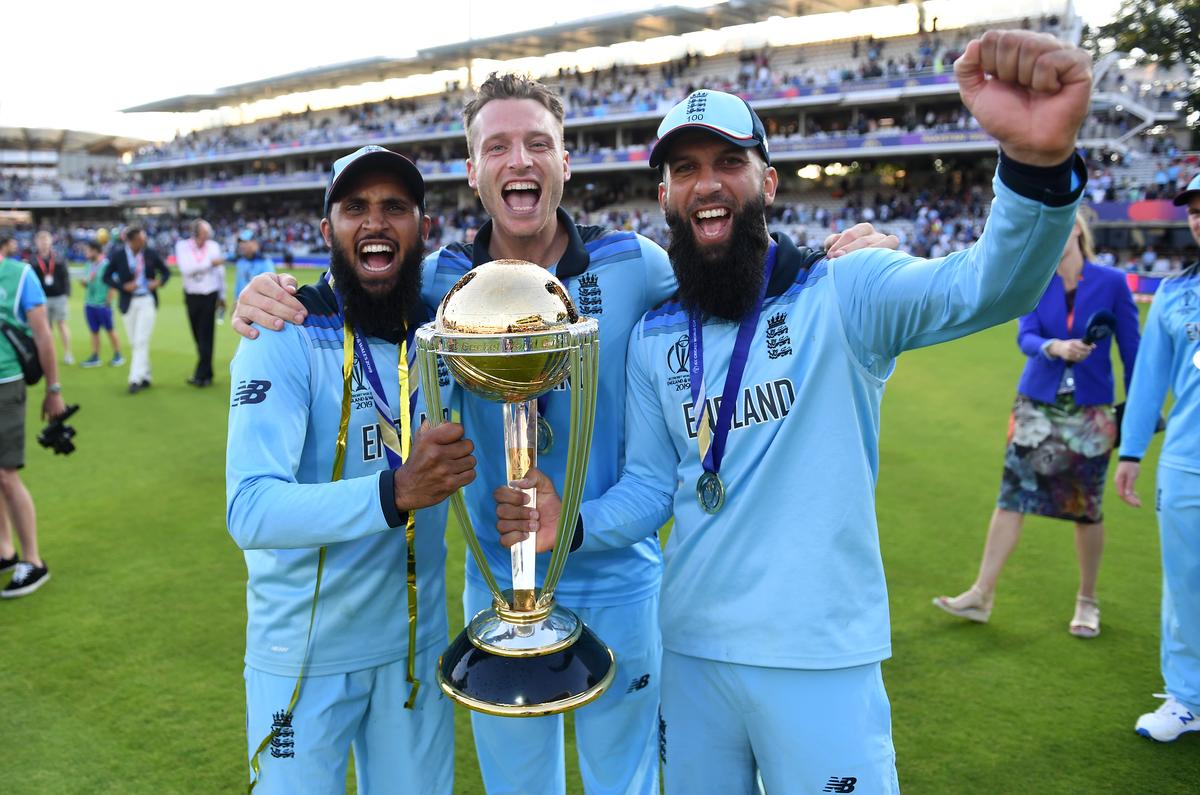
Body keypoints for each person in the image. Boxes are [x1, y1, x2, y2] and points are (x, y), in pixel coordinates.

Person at [231, 75, 894, 795]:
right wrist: (271, 291)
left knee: (627, 783)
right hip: (496, 586)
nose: (520, 160)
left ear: (565, 164)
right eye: (498, 146)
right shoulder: (441, 283)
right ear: (473, 173)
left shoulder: (635, 265)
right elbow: (362, 278)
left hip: (619, 580)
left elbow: (733, 257)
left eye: (538, 143)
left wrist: (837, 251)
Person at [493, 31, 1091, 793]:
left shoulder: (846, 291)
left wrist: (1036, 168)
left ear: (768, 183)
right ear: (666, 198)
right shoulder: (656, 336)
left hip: (820, 659)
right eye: (685, 169)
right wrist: (568, 522)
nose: (707, 184)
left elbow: (985, 287)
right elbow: (650, 487)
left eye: (728, 163)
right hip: (694, 654)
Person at [226, 145, 474, 793]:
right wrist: (396, 492)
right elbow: (249, 509)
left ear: (423, 226)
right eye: (354, 207)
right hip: (301, 660)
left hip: (414, 655)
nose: (375, 222)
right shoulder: (282, 333)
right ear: (325, 229)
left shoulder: (448, 332)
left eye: (395, 207)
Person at [933, 208, 1139, 637]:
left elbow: (1133, 352)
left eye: (1061, 228)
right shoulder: (1035, 281)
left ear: (1078, 231)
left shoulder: (1113, 283)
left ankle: (1087, 601)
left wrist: (1137, 415)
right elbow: (1025, 336)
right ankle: (981, 594)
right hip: (1035, 405)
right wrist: (1054, 347)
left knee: (1088, 510)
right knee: (1011, 497)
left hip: (1090, 413)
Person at [1114, 172, 1200, 742]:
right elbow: (1148, 384)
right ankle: (1187, 698)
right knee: (1186, 582)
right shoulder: (1174, 294)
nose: (1199, 216)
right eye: (1194, 207)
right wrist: (1132, 452)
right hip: (1188, 463)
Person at [0, 246, 66, 597]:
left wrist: (53, 389)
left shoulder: (20, 275)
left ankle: (33, 561)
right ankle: (5, 551)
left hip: (6, 382)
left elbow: (42, 334)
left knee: (6, 475)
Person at [104, 225, 169, 394]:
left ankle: (134, 379)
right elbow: (106, 276)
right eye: (140, 239)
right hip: (128, 302)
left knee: (141, 340)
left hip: (147, 299)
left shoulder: (150, 253)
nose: (143, 242)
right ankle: (146, 374)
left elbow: (166, 272)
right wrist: (122, 286)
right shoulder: (119, 255)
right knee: (135, 342)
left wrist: (158, 283)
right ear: (130, 241)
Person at [175, 219, 226, 387]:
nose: (207, 237)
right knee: (197, 334)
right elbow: (186, 269)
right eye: (204, 233)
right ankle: (207, 372)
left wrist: (223, 295)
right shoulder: (183, 246)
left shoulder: (213, 246)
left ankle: (201, 375)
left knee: (207, 335)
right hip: (192, 295)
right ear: (196, 233)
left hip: (210, 294)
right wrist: (210, 263)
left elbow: (220, 272)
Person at [28, 230, 73, 364]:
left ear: (51, 241)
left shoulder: (58, 257)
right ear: (36, 242)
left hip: (59, 297)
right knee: (46, 328)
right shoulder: (33, 260)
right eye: (41, 240)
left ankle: (68, 353)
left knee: (62, 324)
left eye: (46, 240)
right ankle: (48, 355)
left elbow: (66, 276)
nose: (44, 243)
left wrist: (66, 293)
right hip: (42, 298)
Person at [79, 240, 124, 368]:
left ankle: (118, 355)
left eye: (87, 251)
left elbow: (113, 285)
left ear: (95, 251)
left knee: (110, 329)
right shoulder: (88, 264)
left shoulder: (106, 265)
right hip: (89, 303)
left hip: (103, 305)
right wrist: (84, 283)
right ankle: (95, 356)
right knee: (94, 331)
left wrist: (108, 301)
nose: (85, 253)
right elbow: (89, 281)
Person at [234, 229, 275, 300]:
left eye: (245, 242)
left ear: (255, 243)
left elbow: (270, 288)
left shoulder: (265, 262)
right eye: (240, 242)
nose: (241, 245)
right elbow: (238, 286)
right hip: (241, 305)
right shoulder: (241, 262)